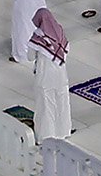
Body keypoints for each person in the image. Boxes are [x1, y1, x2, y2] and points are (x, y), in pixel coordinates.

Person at [30, 9, 74, 140]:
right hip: (61, 75)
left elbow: (29, 56)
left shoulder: (38, 37)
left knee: (46, 106)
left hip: (45, 77)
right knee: (62, 103)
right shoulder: (59, 32)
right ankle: (64, 131)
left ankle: (46, 135)